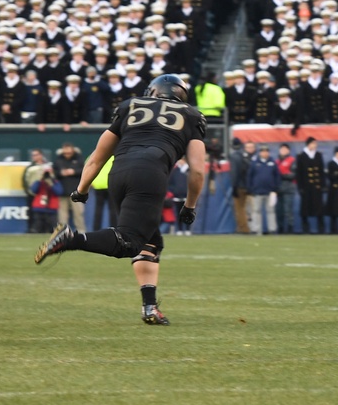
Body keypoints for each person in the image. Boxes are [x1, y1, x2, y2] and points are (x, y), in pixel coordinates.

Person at [33, 74, 207, 326]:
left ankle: (149, 307)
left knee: (150, 242)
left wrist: (81, 190)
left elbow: (97, 157)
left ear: (153, 91)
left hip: (119, 173)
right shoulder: (191, 115)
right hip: (150, 172)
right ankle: (71, 239)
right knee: (129, 242)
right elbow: (198, 170)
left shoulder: (130, 106)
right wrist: (190, 205)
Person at [246, 144, 280, 235]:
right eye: (263, 151)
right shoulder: (254, 163)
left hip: (270, 192)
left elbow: (277, 176)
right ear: (260, 153)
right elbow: (249, 176)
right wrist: (250, 188)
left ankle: (272, 229)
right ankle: (256, 229)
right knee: (256, 211)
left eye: (266, 151)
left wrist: (276, 189)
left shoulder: (272, 162)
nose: (264, 153)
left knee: (271, 211)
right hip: (257, 191)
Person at [54, 142, 87, 233]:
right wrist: (61, 173)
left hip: (76, 191)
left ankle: (81, 232)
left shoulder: (79, 159)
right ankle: (63, 232)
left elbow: (84, 171)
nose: (67, 154)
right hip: (63, 191)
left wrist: (73, 171)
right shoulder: (58, 160)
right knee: (62, 215)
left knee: (78, 213)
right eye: (65, 152)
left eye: (69, 151)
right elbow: (55, 173)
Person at [275, 143, 297, 234]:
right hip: (278, 189)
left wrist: (281, 175)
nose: (283, 151)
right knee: (279, 211)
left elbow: (293, 174)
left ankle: (290, 229)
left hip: (289, 188)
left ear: (288, 151)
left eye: (285, 149)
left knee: (288, 210)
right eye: (282, 149)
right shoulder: (276, 161)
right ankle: (280, 228)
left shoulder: (292, 160)